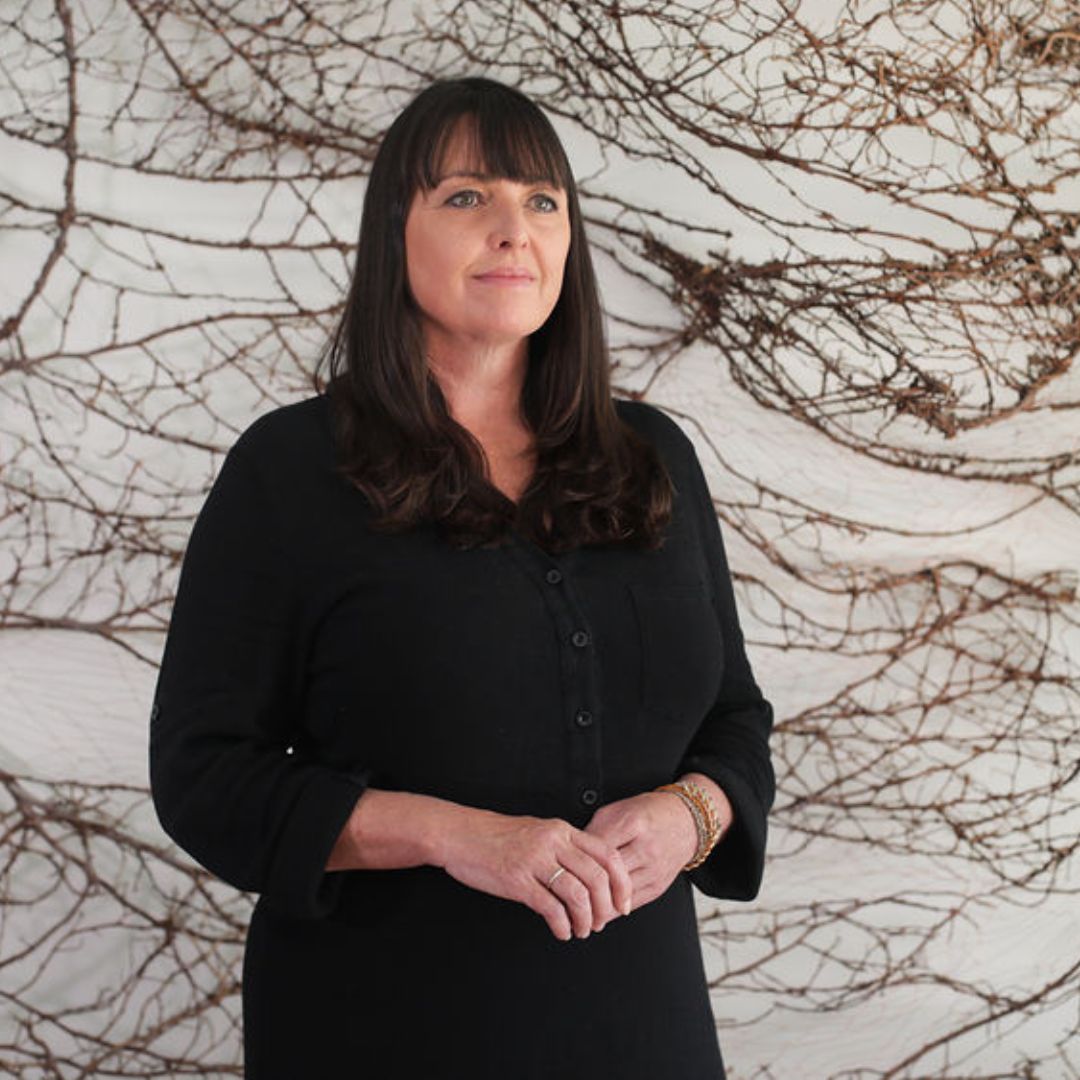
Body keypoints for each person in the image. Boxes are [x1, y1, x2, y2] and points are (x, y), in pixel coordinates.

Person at [149, 76, 775, 1080]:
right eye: (465, 197)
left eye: (542, 201)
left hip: (641, 1031)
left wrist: (691, 814)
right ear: (392, 230)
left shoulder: (651, 458)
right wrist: (452, 837)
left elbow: (735, 717)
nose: (512, 230)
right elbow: (204, 776)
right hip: (383, 1030)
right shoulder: (290, 472)